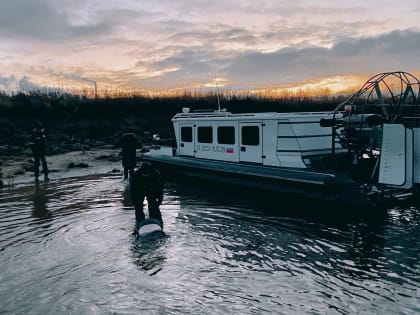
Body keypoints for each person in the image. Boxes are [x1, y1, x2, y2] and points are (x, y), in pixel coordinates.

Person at [129, 162, 164, 228]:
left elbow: (160, 188)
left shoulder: (156, 174)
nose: (146, 175)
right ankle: (139, 222)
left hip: (151, 189)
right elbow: (132, 190)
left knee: (153, 205)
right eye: (144, 174)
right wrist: (134, 201)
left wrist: (160, 199)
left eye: (147, 174)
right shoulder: (135, 175)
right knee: (138, 207)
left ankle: (156, 220)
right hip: (139, 190)